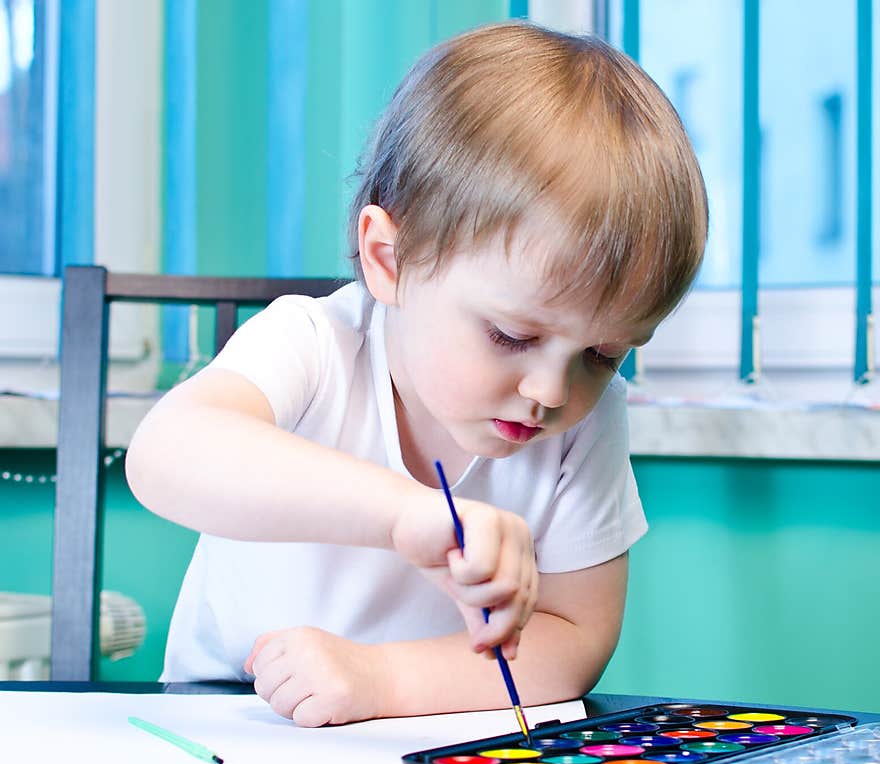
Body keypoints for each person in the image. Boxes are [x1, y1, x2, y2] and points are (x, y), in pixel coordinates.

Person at [125, 20, 708, 727]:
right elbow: (165, 451)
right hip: (233, 723)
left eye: (604, 354)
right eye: (511, 334)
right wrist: (404, 514)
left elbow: (574, 636)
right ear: (388, 260)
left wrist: (382, 680)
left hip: (419, 741)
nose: (552, 392)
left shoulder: (589, 416)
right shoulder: (312, 343)